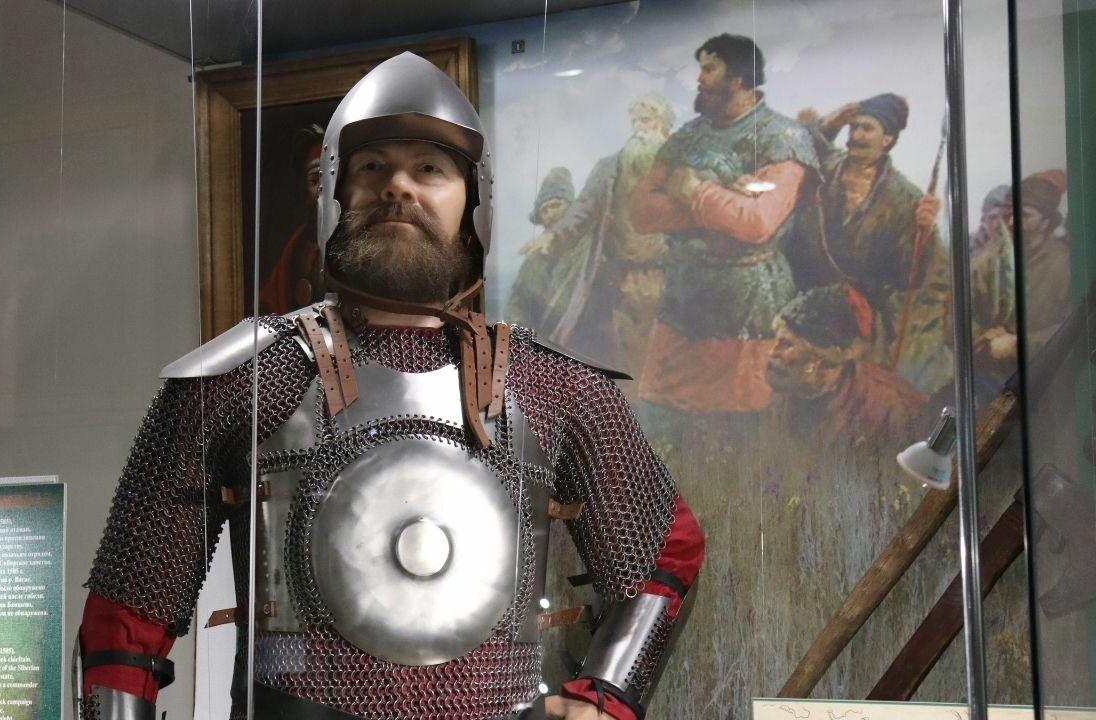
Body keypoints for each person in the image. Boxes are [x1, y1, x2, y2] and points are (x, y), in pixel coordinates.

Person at [76, 52, 704, 720]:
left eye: (429, 168)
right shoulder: (244, 378)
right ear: (335, 195)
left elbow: (667, 553)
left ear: (473, 202)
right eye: (372, 167)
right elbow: (127, 611)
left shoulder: (552, 386)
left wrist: (607, 695)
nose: (398, 186)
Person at [629, 34, 819, 417]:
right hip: (682, 305)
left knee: (738, 426)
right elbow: (642, 212)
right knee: (663, 423)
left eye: (709, 69)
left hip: (750, 310)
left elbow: (758, 222)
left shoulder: (783, 137)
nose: (699, 79)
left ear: (737, 78)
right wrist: (720, 201)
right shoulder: (688, 136)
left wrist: (694, 190)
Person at [792, 94, 950, 395]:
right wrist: (829, 123)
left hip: (858, 320)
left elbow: (906, 277)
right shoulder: (827, 166)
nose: (857, 136)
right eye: (854, 128)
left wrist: (923, 233)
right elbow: (796, 146)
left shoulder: (905, 198)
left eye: (867, 129)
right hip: (801, 299)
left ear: (887, 139)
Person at [531, 94, 675, 374]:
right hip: (620, 283)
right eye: (634, 121)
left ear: (664, 125)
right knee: (625, 359)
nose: (638, 128)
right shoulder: (608, 169)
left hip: (671, 280)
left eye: (646, 121)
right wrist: (553, 236)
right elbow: (583, 209)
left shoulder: (682, 168)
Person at [767, 284, 925, 442]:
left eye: (786, 345)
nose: (772, 353)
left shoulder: (889, 409)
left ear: (819, 358)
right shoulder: (785, 391)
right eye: (776, 341)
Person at [970, 169, 1071, 376]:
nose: (1012, 222)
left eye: (1025, 215)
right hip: (991, 375)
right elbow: (959, 315)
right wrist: (985, 337)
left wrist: (1018, 344)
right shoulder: (990, 260)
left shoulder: (1066, 265)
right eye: (1011, 214)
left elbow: (1078, 327)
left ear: (1046, 221)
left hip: (1048, 377)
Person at [259, 125, 326, 313]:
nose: (323, 189)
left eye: (330, 178)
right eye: (314, 181)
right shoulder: (297, 246)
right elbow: (269, 302)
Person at [504, 166, 577, 335]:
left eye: (556, 205)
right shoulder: (532, 264)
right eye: (545, 210)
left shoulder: (589, 249)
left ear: (572, 208)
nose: (551, 214)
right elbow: (517, 307)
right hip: (546, 345)